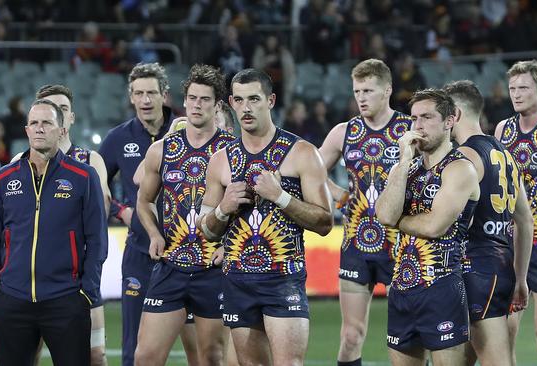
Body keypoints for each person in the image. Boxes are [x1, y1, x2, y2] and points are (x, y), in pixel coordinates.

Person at [197, 68, 333, 365]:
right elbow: (206, 231)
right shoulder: (220, 160)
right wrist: (223, 208)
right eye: (240, 100)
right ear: (231, 103)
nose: (246, 108)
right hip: (237, 281)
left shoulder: (303, 153)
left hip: (282, 279)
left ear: (270, 100)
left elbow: (325, 222)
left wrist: (281, 197)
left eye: (254, 99)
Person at [0, 99, 108, 366]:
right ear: (27, 130)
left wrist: (86, 292)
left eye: (47, 123)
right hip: (11, 302)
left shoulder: (83, 176)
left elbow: (97, 239)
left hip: (66, 301)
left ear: (61, 130)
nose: (40, 129)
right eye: (34, 123)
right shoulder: (4, 179)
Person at [134, 64, 235, 365]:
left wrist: (229, 246)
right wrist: (153, 234)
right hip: (171, 266)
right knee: (145, 357)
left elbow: (248, 210)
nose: (196, 105)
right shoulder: (162, 150)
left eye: (204, 99)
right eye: (192, 98)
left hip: (214, 271)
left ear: (217, 105)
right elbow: (144, 201)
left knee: (211, 358)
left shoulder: (233, 151)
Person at [98, 62, 197, 366]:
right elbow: (94, 185)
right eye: (138, 93)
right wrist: (120, 210)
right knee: (134, 348)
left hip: (188, 253)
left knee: (204, 349)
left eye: (151, 92)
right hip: (141, 251)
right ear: (131, 97)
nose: (145, 100)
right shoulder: (118, 138)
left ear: (164, 95)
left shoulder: (188, 130)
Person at [375, 88, 480, 366]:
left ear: (449, 121)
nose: (418, 126)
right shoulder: (405, 168)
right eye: (414, 118)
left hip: (442, 288)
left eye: (427, 117)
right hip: (401, 288)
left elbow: (435, 226)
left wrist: (398, 221)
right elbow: (383, 214)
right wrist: (403, 161)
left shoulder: (460, 169)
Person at [318, 58, 412, 366]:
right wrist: (336, 193)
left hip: (402, 246)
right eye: (357, 90)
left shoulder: (409, 130)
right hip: (356, 246)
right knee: (351, 335)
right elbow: (309, 170)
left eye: (368, 90)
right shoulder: (344, 132)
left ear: (387, 90)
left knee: (408, 336)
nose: (361, 97)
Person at [444, 80, 533, 365]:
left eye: (445, 114)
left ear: (455, 115)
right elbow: (525, 222)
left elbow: (445, 221)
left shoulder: (465, 156)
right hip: (503, 268)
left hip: (475, 269)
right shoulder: (506, 154)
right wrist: (520, 278)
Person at [495, 60, 537, 366]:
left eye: (524, 88)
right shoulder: (503, 130)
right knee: (503, 336)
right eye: (512, 88)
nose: (517, 94)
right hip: (510, 244)